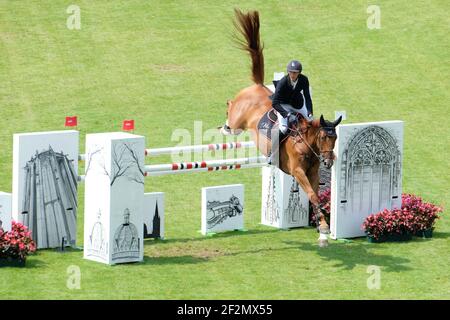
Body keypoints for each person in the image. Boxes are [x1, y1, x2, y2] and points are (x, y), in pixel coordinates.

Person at [268, 60, 314, 165]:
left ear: (299, 73)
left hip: (298, 104)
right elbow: (275, 103)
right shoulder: (283, 82)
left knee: (311, 121)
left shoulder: (303, 80)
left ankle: (315, 148)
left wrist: (310, 111)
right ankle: (272, 153)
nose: (293, 75)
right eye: (291, 72)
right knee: (283, 128)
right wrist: (287, 114)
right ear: (288, 72)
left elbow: (307, 97)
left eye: (295, 72)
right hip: (283, 105)